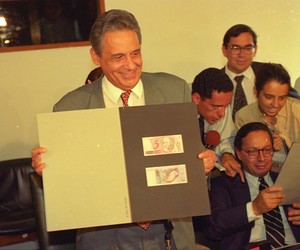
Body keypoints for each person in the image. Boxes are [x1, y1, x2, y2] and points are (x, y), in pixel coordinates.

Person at [31, 9, 216, 250]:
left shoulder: (174, 91)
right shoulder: (70, 108)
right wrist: (53, 173)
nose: (130, 65)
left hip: (169, 233)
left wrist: (203, 165)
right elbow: (72, 190)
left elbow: (190, 164)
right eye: (118, 57)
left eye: (136, 53)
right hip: (106, 238)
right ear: (96, 57)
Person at [201, 122, 300, 250]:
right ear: (239, 153)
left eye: (267, 150)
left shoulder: (288, 179)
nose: (262, 158)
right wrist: (254, 208)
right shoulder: (223, 185)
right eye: (253, 152)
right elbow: (212, 229)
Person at [222, 24, 299, 121]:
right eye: (235, 48)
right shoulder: (213, 81)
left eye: (248, 48)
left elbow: (293, 105)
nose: (241, 54)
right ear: (224, 50)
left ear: (255, 50)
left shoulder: (271, 73)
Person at [235, 63, 300, 170]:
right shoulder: (243, 117)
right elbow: (244, 158)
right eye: (269, 97)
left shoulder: (297, 110)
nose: (275, 104)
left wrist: (284, 139)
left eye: (282, 98)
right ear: (256, 91)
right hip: (262, 176)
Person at [191, 68, 243, 181]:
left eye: (226, 106)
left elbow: (226, 137)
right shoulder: (177, 109)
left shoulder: (221, 103)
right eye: (216, 107)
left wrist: (226, 155)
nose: (222, 114)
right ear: (196, 99)